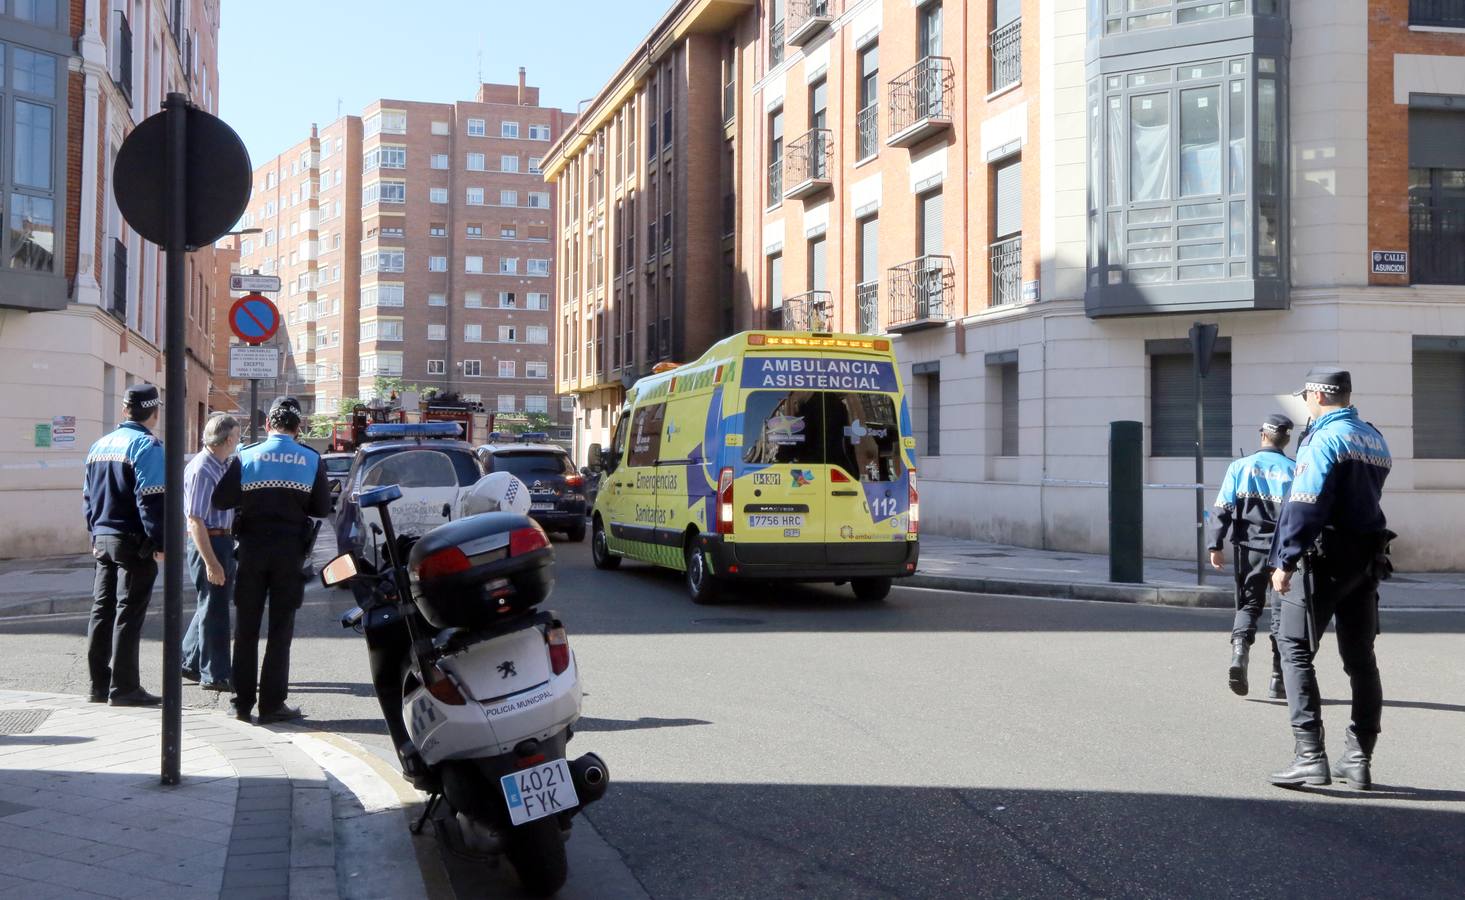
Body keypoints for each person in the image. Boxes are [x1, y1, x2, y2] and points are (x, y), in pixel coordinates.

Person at [1267, 367, 1394, 790]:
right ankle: (1358, 759)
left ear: (1318, 396)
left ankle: (1310, 757)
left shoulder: (1324, 437)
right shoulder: (1373, 436)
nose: (1304, 403)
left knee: (1295, 648)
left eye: (1306, 396)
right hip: (1366, 560)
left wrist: (1285, 559)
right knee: (1360, 660)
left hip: (1323, 559)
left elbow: (1306, 503)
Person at [214, 397, 331, 724]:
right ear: (299, 427)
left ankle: (241, 704)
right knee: (280, 630)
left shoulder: (247, 455)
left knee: (247, 628)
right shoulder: (310, 458)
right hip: (289, 553)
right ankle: (272, 705)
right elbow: (322, 509)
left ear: (268, 426)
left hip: (251, 549)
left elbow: (221, 498)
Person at [82, 383, 166, 706]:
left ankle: (98, 685)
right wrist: (160, 541)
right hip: (133, 542)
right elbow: (151, 500)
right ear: (155, 413)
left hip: (102, 539)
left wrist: (93, 534)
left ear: (125, 409)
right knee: (128, 614)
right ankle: (125, 688)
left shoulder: (99, 446)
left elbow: (87, 498)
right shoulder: (146, 446)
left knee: (101, 611)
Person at [1207, 414, 1296, 699]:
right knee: (1281, 618)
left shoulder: (1240, 467)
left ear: (1262, 436)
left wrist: (1215, 545)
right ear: (1287, 440)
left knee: (1248, 606)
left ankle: (1239, 655)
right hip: (1283, 554)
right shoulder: (1295, 470)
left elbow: (1221, 509)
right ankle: (1277, 680)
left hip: (1249, 550)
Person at [181, 413, 240, 692]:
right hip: (210, 542)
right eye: (238, 437)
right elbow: (195, 519)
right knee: (215, 610)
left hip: (222, 541)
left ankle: (189, 660)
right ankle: (214, 674)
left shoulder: (222, 464)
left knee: (210, 603)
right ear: (228, 439)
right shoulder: (203, 468)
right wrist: (211, 562)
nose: (238, 441)